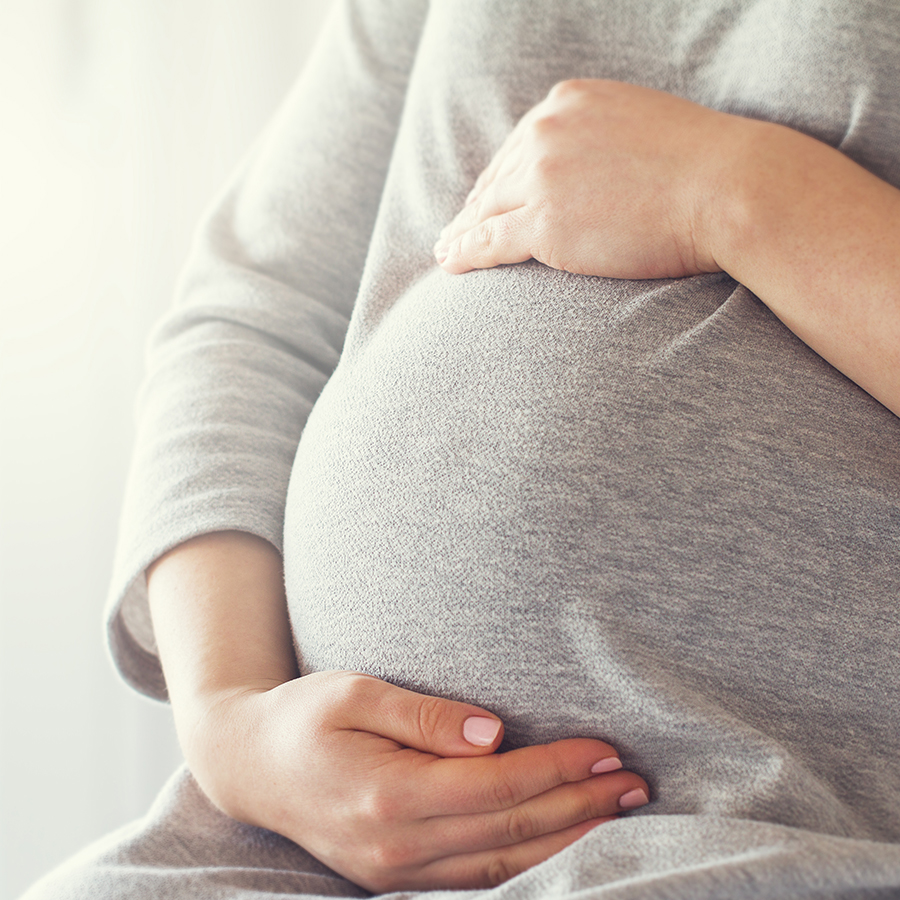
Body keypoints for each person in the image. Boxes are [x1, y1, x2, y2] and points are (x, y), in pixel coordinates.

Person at [22, 0, 900, 897]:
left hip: (777, 833)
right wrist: (231, 727)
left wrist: (741, 190)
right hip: (302, 841)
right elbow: (255, 313)